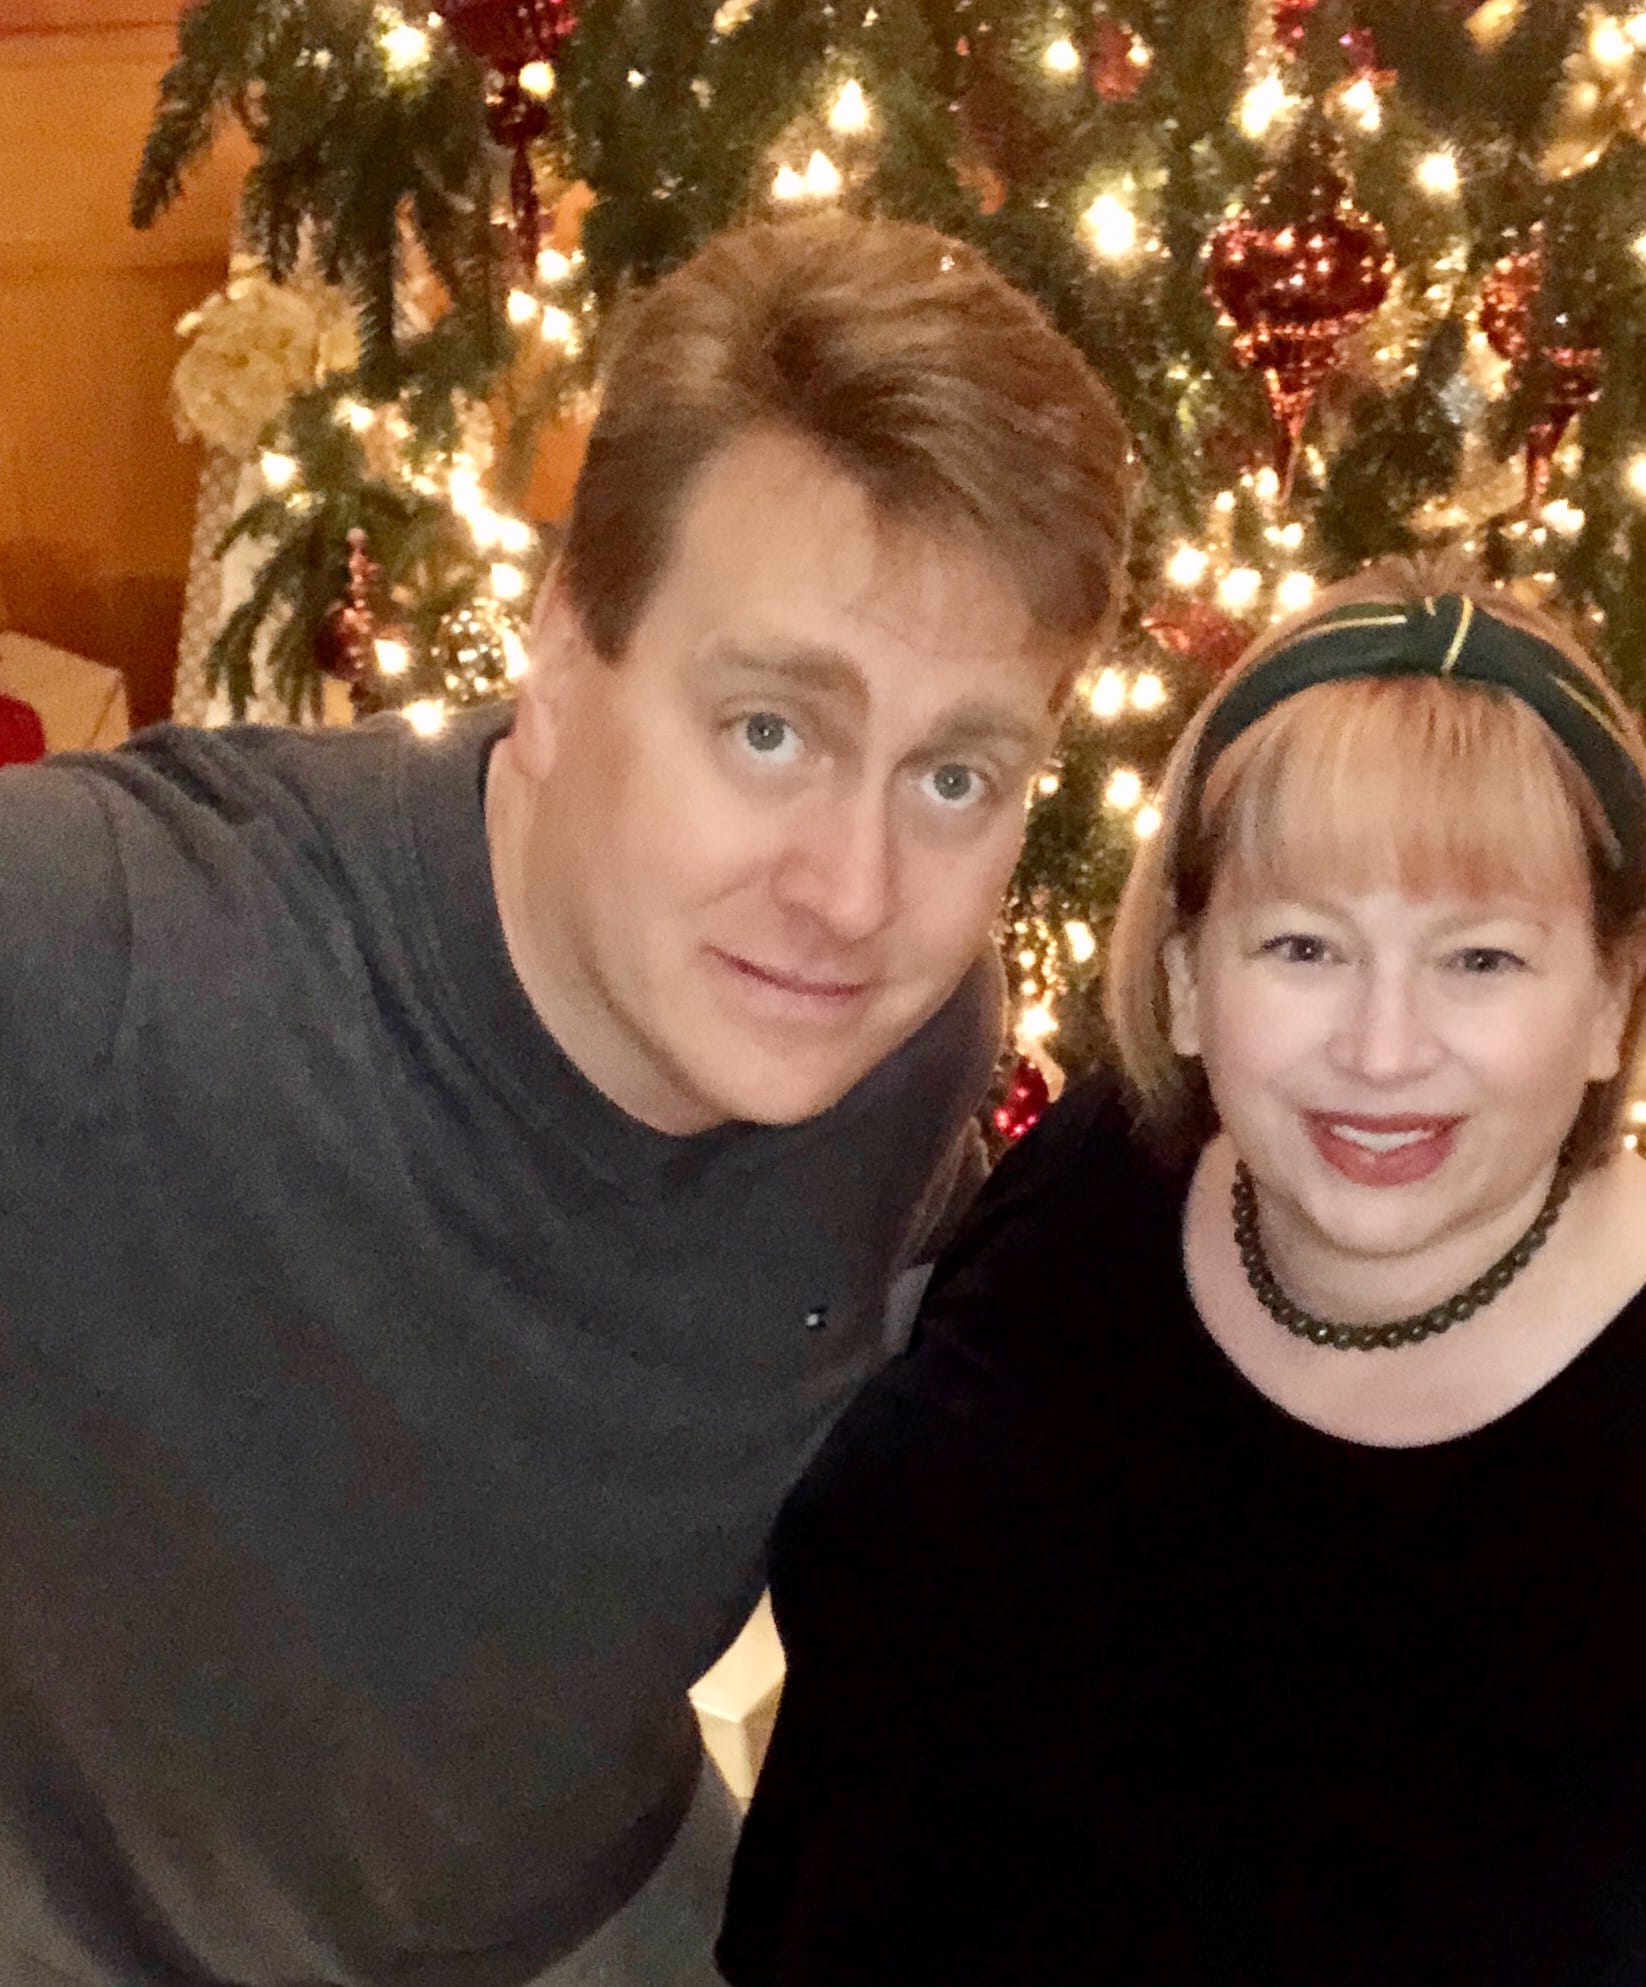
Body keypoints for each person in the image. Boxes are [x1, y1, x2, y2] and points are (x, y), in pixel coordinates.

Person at [0, 211, 1133, 1987]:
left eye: (953, 777)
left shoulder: (903, 1043)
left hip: (597, 1922)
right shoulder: (118, 948)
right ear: (556, 649)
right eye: (769, 730)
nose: (851, 893)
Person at [718, 556, 1646, 1987]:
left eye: (1479, 961)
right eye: (1304, 946)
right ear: (1187, 978)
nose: (1382, 1051)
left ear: (1613, 995)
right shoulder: (1109, 1172)